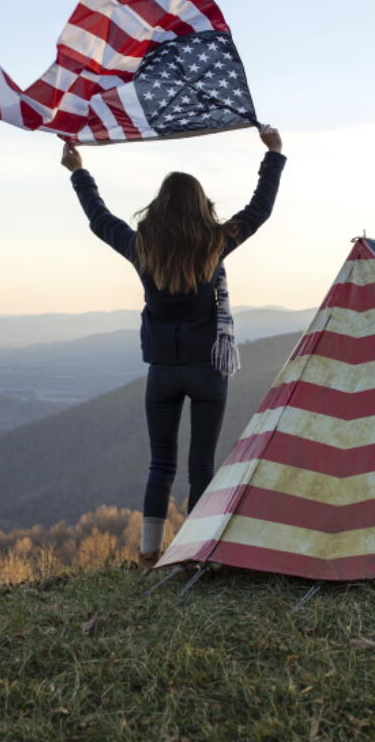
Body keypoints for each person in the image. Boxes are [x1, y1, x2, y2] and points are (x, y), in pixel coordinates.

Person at [61, 125, 285, 566]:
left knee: (160, 465)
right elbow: (259, 210)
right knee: (201, 465)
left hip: (162, 371)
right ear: (201, 208)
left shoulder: (142, 248)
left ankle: (148, 553)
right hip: (208, 371)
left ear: (159, 208)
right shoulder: (214, 245)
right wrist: (274, 154)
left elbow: (100, 219)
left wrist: (78, 172)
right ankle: (196, 552)